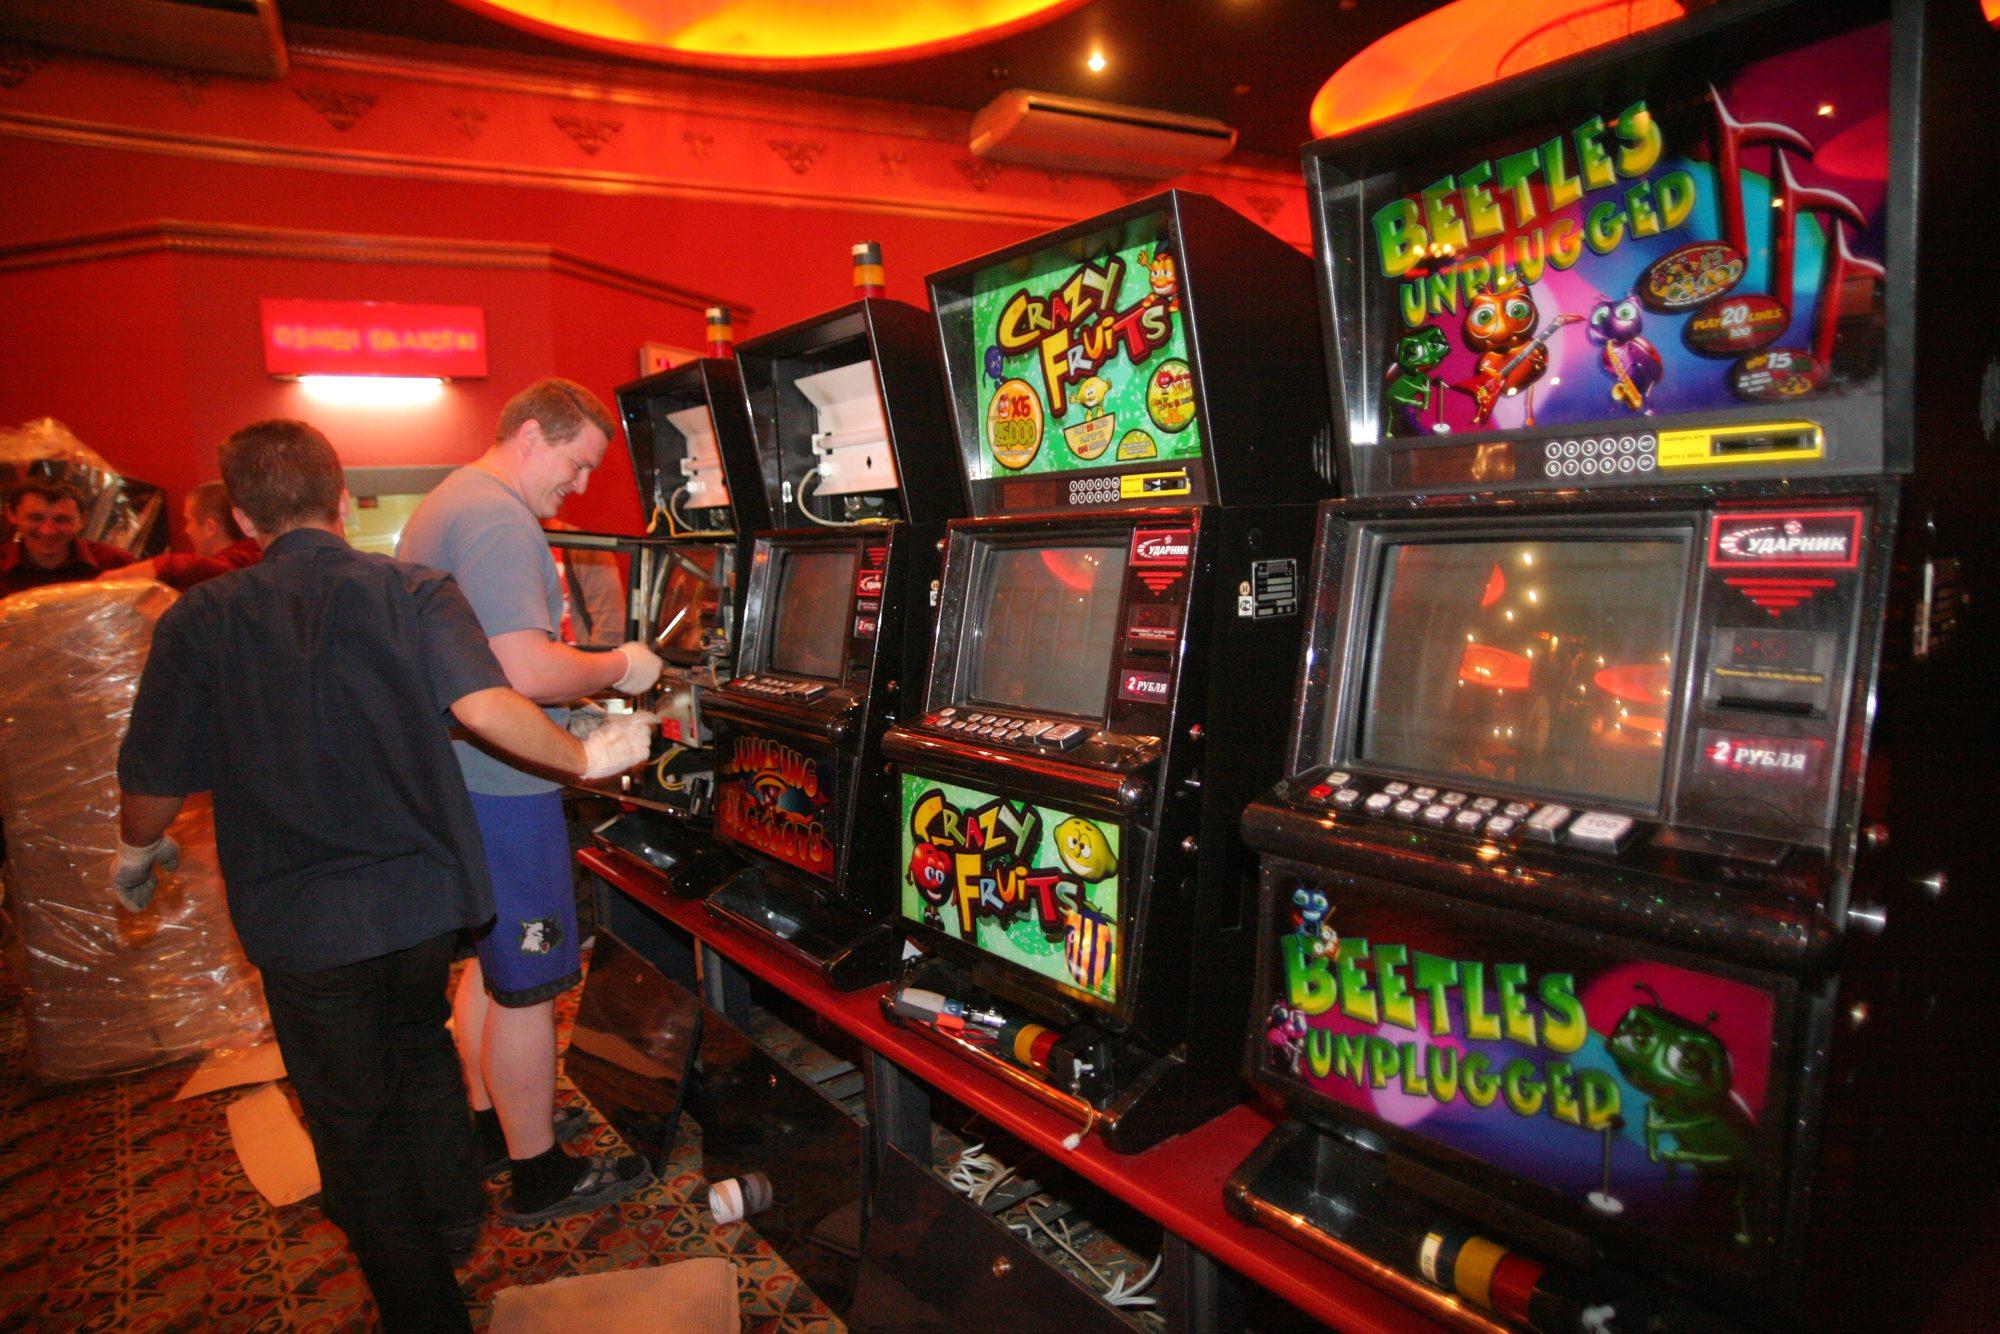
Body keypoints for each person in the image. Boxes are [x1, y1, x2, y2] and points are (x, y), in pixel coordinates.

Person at [114, 420, 655, 1330]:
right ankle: (449, 1220)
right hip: (420, 901)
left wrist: (138, 848)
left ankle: (421, 1300)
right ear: (340, 499)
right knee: (419, 1049)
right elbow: (488, 705)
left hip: (300, 915)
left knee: (350, 1113)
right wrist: (584, 759)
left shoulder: (200, 619)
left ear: (242, 516)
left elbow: (153, 779)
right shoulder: (412, 588)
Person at [398, 377, 663, 1225]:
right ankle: (539, 1171)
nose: (578, 486)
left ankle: (492, 1124)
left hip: (456, 774)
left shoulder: (448, 499)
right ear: (531, 437)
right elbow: (523, 670)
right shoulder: (498, 516)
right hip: (502, 784)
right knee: (532, 981)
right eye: (576, 465)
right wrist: (621, 666)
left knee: (493, 961)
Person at [0, 479, 134, 597]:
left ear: (82, 520)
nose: (48, 530)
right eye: (36, 518)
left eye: (61, 520)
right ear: (11, 515)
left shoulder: (116, 563)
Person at [120, 480, 263, 591]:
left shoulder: (235, 568)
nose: (186, 530)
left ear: (210, 527)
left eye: (189, 521)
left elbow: (186, 566)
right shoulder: (257, 553)